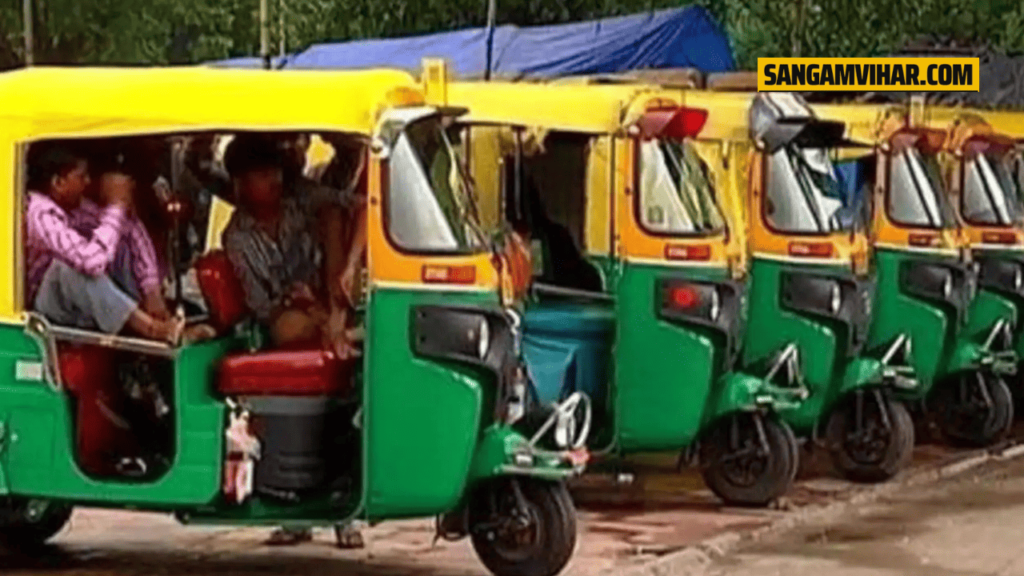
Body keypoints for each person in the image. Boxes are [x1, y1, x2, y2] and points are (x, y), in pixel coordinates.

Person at [220, 135, 366, 549]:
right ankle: (339, 331)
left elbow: (356, 207)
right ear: (239, 185)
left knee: (333, 216)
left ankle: (338, 327)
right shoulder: (238, 237)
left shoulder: (303, 202)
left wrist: (344, 274)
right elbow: (263, 309)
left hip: (329, 301)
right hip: (284, 319)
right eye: (262, 176)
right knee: (290, 325)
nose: (274, 182)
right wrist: (307, 306)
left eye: (275, 173)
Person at [24, 147, 191, 344]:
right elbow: (90, 263)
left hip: (76, 303)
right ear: (58, 183)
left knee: (118, 241)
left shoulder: (76, 205)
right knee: (68, 269)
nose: (87, 182)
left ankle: (156, 318)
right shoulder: (39, 212)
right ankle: (151, 329)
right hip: (43, 308)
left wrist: (151, 290)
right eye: (81, 177)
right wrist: (116, 206)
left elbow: (130, 228)